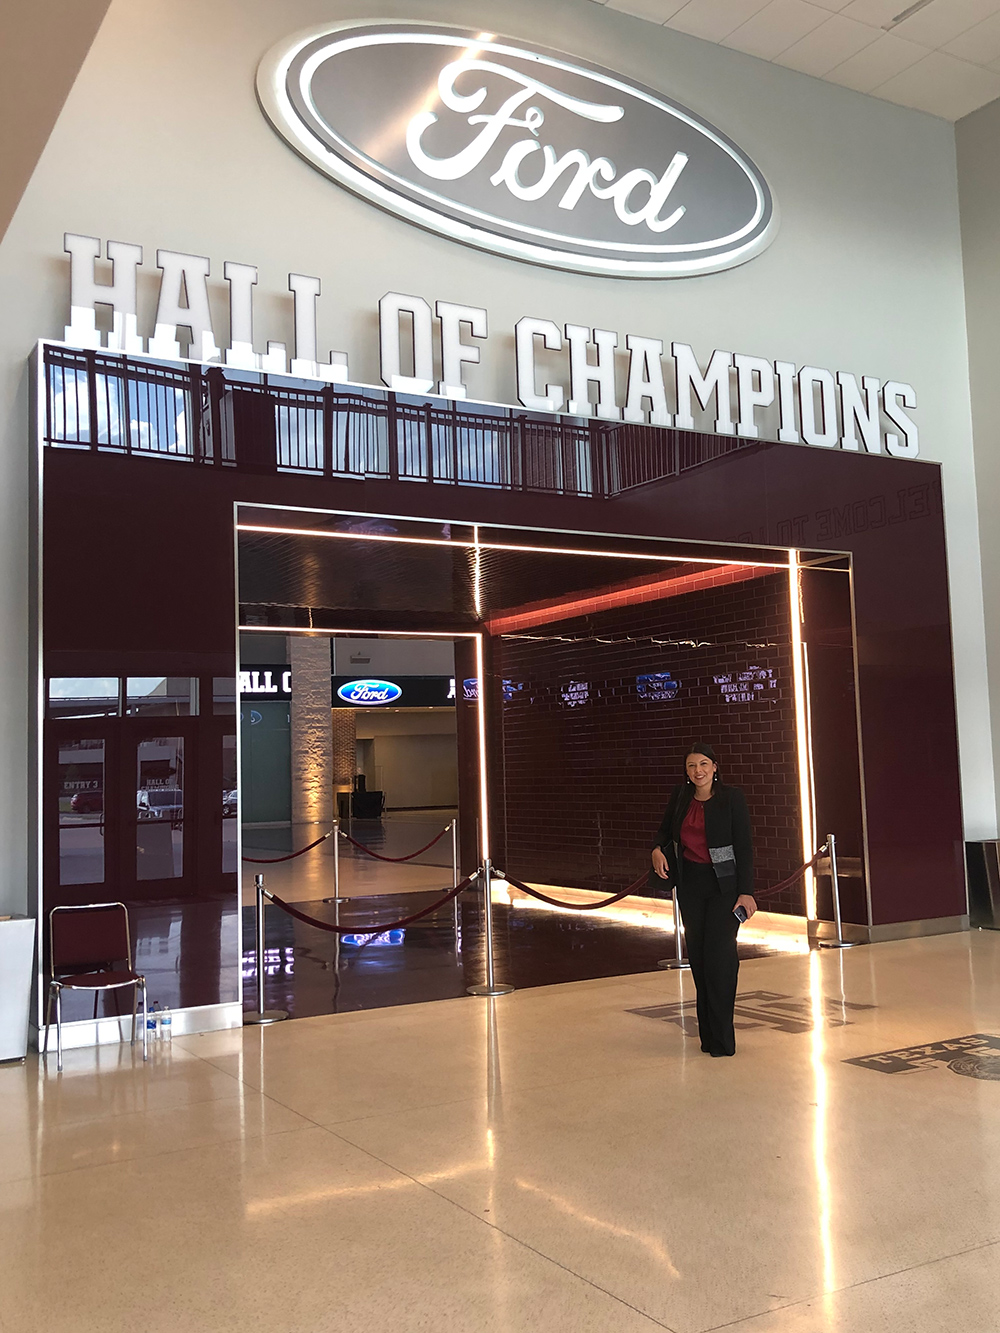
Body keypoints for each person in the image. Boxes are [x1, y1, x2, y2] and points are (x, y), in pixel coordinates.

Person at [651, 744, 756, 1057]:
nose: (698, 770)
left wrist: (747, 890)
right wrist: (657, 849)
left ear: (714, 767)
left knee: (720, 959)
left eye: (704, 764)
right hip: (691, 885)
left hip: (725, 887)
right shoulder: (681, 797)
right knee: (698, 957)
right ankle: (707, 1036)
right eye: (692, 765)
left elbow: (745, 846)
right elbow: (663, 832)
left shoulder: (731, 798)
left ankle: (723, 1039)